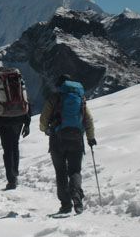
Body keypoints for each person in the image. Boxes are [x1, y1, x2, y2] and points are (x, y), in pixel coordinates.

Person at [39, 74, 97, 214]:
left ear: (60, 85)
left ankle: (65, 205)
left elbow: (43, 121)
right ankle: (77, 199)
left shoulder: (54, 98)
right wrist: (90, 138)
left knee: (61, 172)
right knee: (75, 171)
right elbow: (88, 120)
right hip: (77, 140)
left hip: (57, 140)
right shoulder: (80, 99)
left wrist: (46, 129)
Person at [0, 67, 31, 190]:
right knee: (15, 145)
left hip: (3, 121)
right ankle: (15, 175)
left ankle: (11, 180)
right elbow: (26, 101)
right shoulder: (19, 82)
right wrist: (27, 123)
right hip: (19, 119)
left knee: (7, 149)